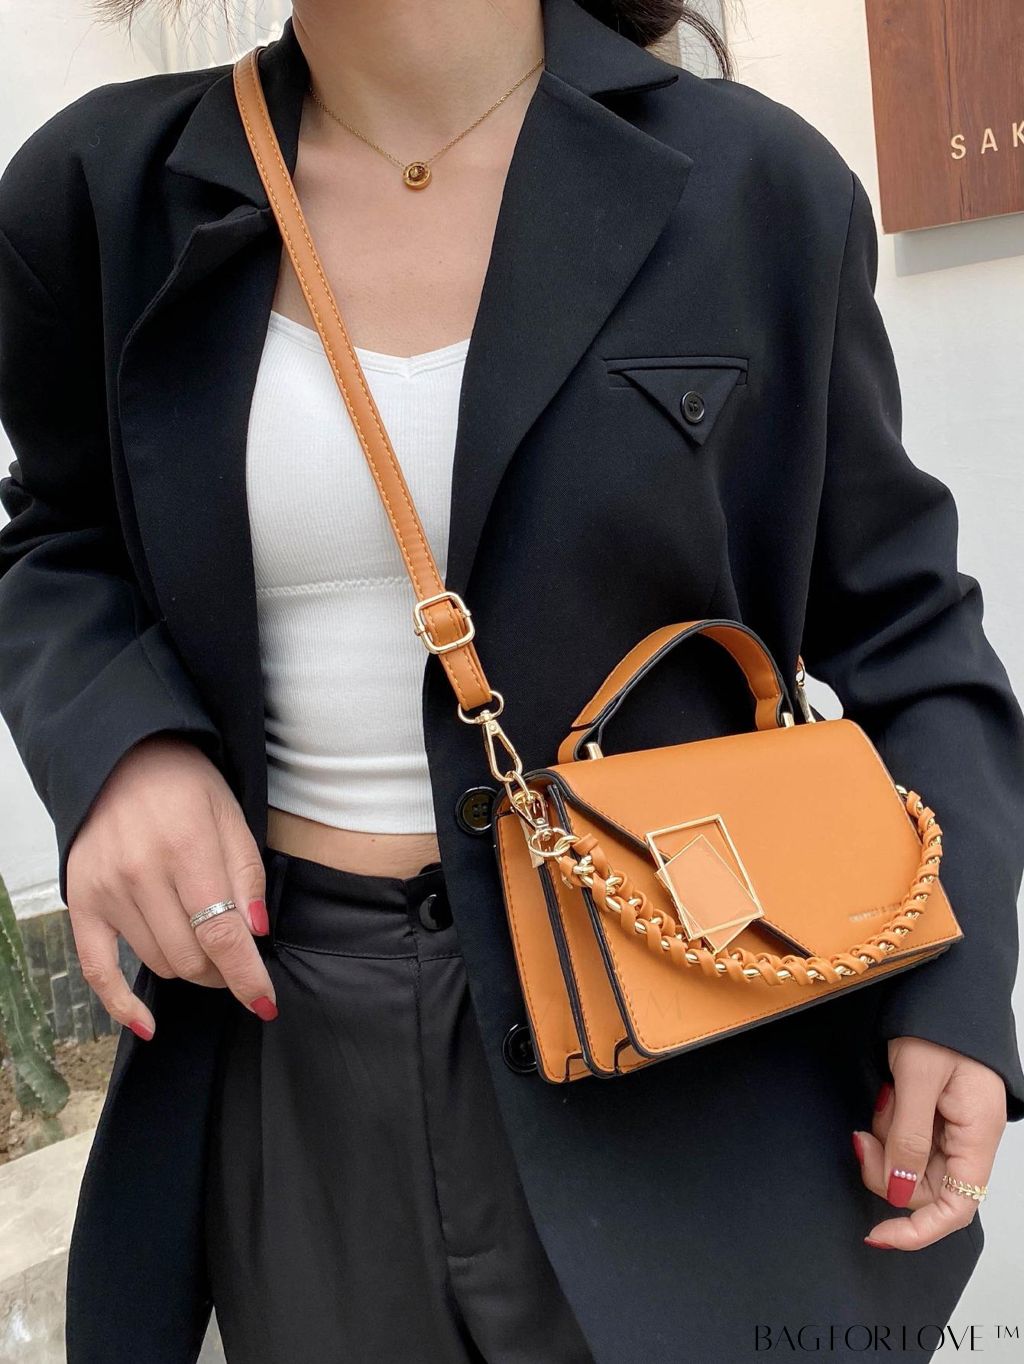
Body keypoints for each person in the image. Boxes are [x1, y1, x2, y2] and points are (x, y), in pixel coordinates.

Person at [0, 1, 1021, 1360]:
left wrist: (958, 987)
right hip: (287, 1037)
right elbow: (56, 535)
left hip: (687, 1028)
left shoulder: (756, 187)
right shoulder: (100, 195)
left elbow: (908, 630)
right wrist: (121, 749)